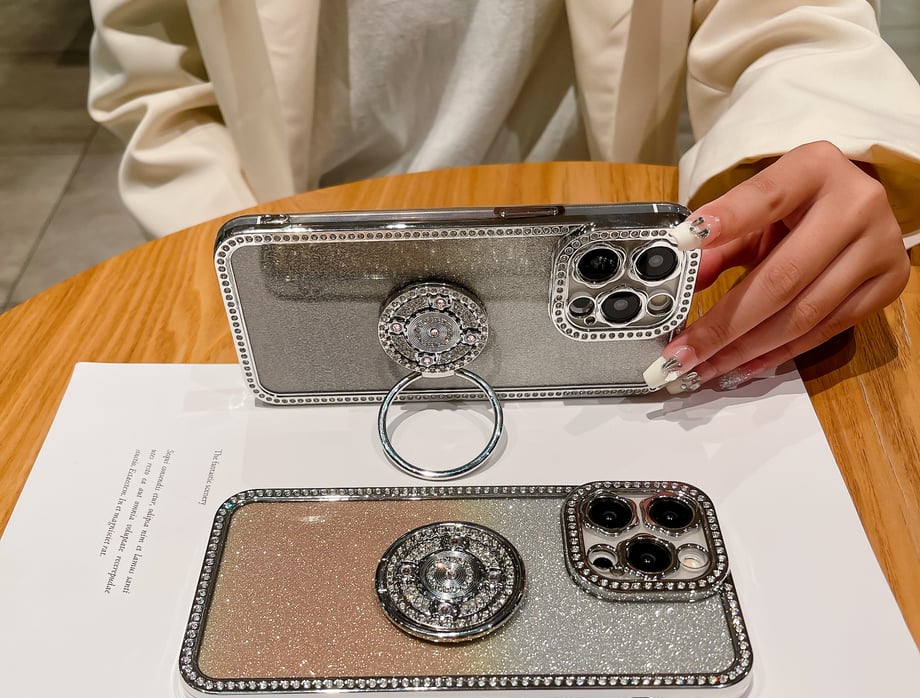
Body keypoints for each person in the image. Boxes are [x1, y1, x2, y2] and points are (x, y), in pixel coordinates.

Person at [87, 0, 920, 392]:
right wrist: (258, 279)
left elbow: (788, 19)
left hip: (586, 257)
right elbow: (162, 81)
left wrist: (823, 134)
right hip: (305, 266)